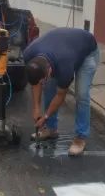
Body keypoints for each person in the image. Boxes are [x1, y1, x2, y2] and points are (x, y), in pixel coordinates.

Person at [24, 28, 100, 156]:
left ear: (49, 70)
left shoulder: (65, 66)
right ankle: (51, 129)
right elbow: (36, 83)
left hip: (87, 50)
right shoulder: (28, 54)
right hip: (62, 46)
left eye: (44, 79)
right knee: (48, 88)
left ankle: (80, 137)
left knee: (81, 94)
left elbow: (60, 95)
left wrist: (45, 116)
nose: (42, 82)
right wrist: (36, 108)